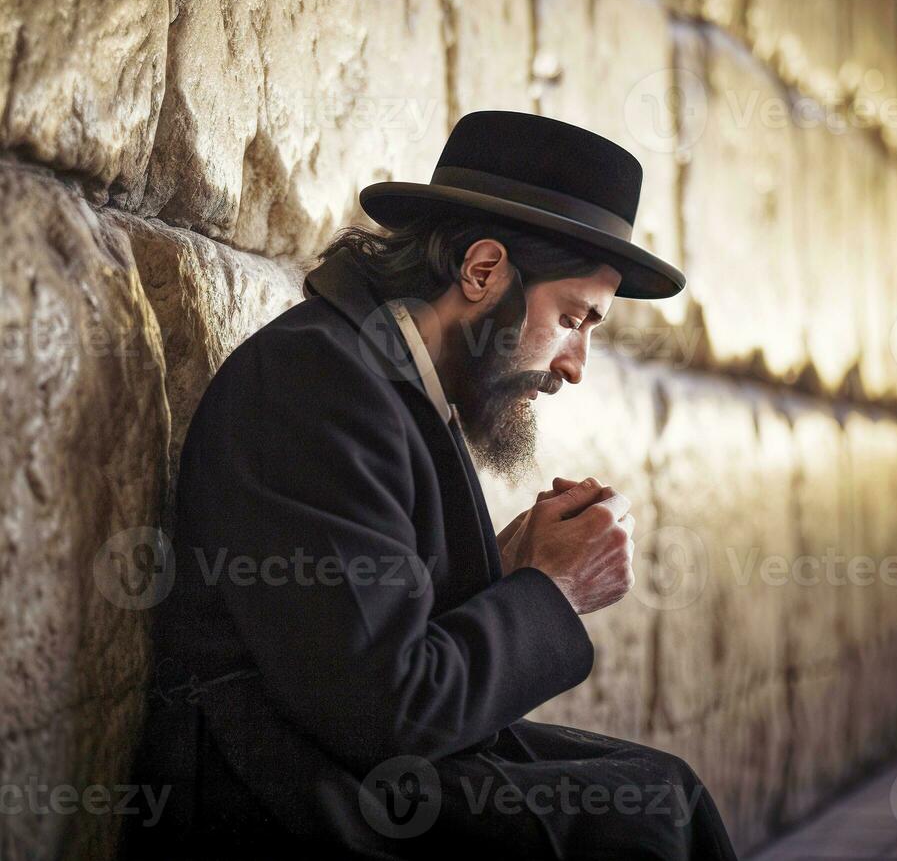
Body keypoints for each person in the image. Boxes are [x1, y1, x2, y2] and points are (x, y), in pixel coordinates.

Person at [121, 111, 738, 859]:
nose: (575, 364)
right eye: (573, 318)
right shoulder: (316, 381)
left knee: (659, 787)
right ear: (483, 271)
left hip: (345, 768)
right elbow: (383, 713)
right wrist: (555, 590)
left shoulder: (393, 378)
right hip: (280, 795)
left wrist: (510, 570)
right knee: (650, 816)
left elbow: (373, 639)